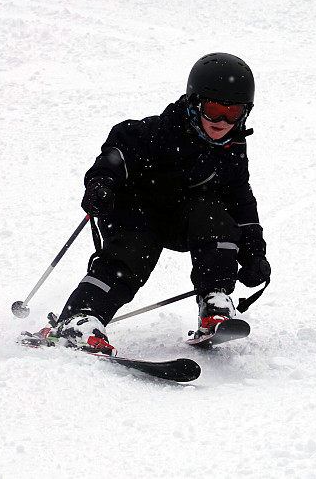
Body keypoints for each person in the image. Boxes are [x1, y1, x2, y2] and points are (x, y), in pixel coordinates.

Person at [47, 53, 271, 354]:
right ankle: (80, 318)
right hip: (134, 212)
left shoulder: (232, 149)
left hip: (181, 219)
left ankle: (214, 304)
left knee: (216, 216)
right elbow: (117, 151)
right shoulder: (158, 132)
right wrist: (101, 184)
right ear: (194, 104)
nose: (222, 122)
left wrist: (254, 253)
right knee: (134, 249)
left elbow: (241, 200)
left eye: (233, 113)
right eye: (214, 110)